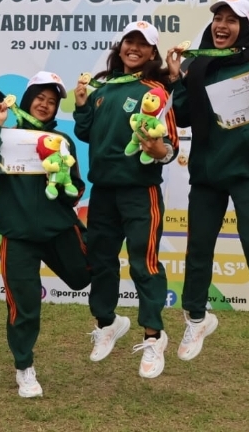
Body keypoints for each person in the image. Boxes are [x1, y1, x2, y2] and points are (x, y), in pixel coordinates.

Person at [168, 0, 249, 377]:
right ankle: (197, 318)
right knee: (198, 249)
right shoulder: (198, 64)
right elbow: (184, 117)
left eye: (231, 20)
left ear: (244, 28)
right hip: (205, 173)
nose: (222, 25)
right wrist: (179, 80)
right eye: (218, 18)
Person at [0, 71, 90, 398]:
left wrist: (62, 176)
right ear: (28, 99)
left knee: (88, 274)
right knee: (24, 307)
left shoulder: (62, 142)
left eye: (52, 102)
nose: (45, 105)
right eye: (40, 97)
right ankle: (24, 368)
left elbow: (75, 190)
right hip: (18, 235)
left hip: (58, 231)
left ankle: (106, 322)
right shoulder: (6, 135)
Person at [73, 21, 179, 379]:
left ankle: (153, 336)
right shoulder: (104, 86)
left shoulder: (157, 90)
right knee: (100, 261)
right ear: (121, 47)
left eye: (142, 45)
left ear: (152, 53)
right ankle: (107, 323)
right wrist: (83, 104)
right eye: (128, 42)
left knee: (143, 263)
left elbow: (170, 145)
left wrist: (160, 150)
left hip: (140, 191)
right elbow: (85, 132)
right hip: (102, 190)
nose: (133, 49)